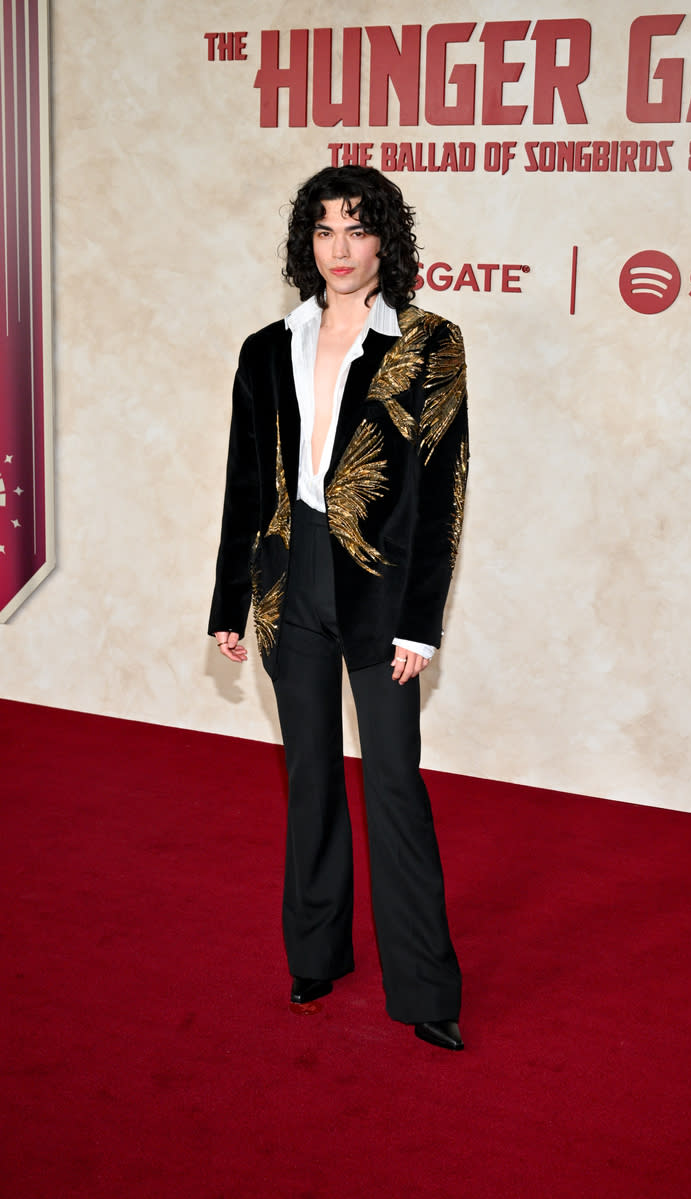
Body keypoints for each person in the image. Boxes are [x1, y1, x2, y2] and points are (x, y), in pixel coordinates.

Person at [208, 165, 468, 1051]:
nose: (340, 250)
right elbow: (247, 484)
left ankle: (426, 986)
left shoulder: (430, 343)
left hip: (383, 592)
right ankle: (317, 949)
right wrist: (229, 602)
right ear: (305, 243)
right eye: (323, 232)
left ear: (383, 239)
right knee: (309, 773)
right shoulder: (264, 346)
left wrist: (420, 622)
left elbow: (442, 495)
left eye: (357, 230)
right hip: (289, 582)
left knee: (394, 781)